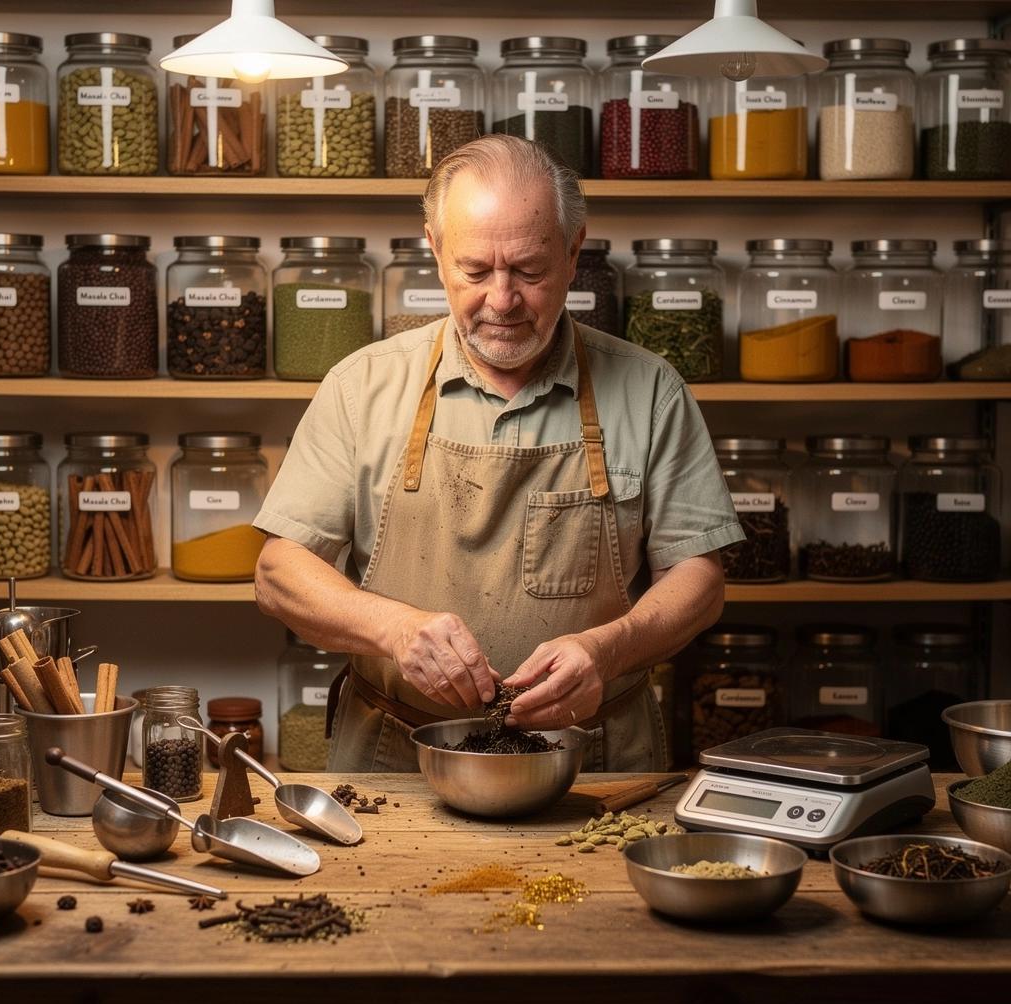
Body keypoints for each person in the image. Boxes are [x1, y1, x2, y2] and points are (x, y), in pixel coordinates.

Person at [253, 134, 744, 772]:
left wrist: (609, 649)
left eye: (530, 271)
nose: (503, 300)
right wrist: (396, 632)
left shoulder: (651, 390)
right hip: (396, 763)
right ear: (433, 248)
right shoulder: (360, 387)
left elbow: (700, 582)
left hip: (592, 764)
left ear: (574, 251)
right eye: (475, 270)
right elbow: (279, 574)